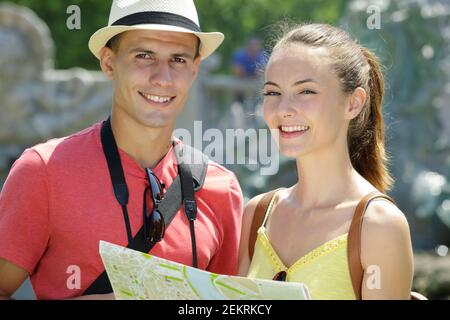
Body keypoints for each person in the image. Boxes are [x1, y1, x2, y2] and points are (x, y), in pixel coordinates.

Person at [0, 0, 243, 300]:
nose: (163, 78)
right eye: (144, 56)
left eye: (178, 59)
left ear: (195, 70)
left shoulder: (223, 188)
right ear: (108, 63)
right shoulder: (43, 171)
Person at [238, 23, 414, 299]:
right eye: (273, 92)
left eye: (306, 91)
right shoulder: (257, 214)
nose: (283, 109)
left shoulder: (380, 227)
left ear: (353, 103)